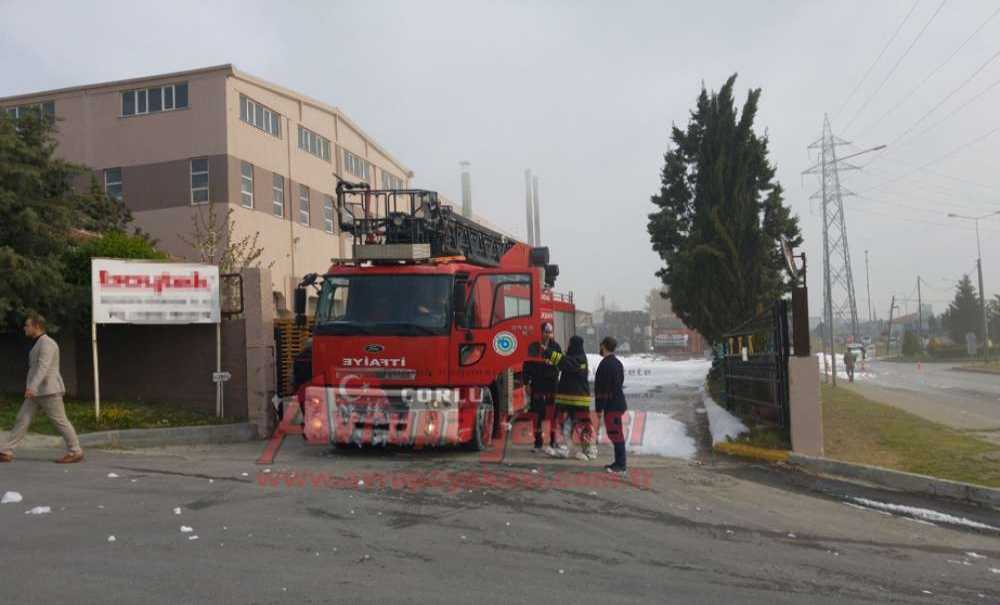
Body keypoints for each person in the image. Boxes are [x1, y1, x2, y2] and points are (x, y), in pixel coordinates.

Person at [0, 314, 84, 464]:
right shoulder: (39, 342)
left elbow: (43, 368)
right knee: (22, 419)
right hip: (38, 392)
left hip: (48, 391)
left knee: (60, 421)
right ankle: (6, 451)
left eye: (27, 325)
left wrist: (32, 387)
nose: (25, 328)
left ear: (36, 326)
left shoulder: (47, 344)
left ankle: (75, 451)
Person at [544, 335, 593, 460]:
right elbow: (563, 364)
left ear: (575, 345)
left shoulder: (580, 359)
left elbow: (566, 363)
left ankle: (589, 449)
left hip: (578, 401)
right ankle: (567, 448)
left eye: (569, 344)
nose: (567, 347)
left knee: (582, 425)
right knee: (566, 425)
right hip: (568, 400)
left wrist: (550, 353)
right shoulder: (574, 358)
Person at [524, 323, 562, 454]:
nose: (548, 334)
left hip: (552, 385)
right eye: (546, 332)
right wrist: (526, 383)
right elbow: (527, 365)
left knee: (553, 414)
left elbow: (561, 363)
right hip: (538, 384)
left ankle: (553, 441)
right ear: (541, 332)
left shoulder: (556, 346)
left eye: (550, 332)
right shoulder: (533, 347)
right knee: (537, 414)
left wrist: (552, 363)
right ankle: (538, 442)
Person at [595, 336, 627, 474]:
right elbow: (618, 384)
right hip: (618, 403)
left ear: (604, 346)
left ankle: (620, 464)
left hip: (611, 405)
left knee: (616, 434)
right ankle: (619, 462)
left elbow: (601, 389)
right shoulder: (618, 363)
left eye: (601, 345)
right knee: (615, 433)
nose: (600, 348)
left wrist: (599, 408)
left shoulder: (605, 364)